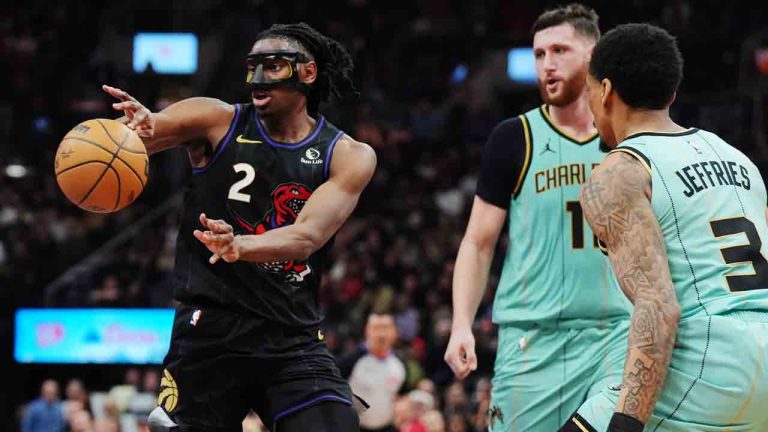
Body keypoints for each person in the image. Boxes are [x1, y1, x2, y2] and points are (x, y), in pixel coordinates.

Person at [103, 22, 376, 431]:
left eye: (273, 66)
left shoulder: (347, 154)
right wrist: (140, 127)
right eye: (253, 67)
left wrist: (240, 246)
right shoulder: (215, 119)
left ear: (308, 73)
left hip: (290, 336)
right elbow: (150, 132)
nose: (259, 78)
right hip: (209, 332)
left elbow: (306, 237)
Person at [561, 23, 768, 431]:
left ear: (605, 91)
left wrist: (625, 424)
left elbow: (659, 307)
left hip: (710, 364)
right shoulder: (738, 159)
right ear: (671, 94)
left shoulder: (619, 171)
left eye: (588, 90)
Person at [443, 4, 631, 430]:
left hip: (618, 334)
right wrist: (460, 325)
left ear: (594, 55)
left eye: (560, 50)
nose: (547, 64)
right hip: (534, 339)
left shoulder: (630, 136)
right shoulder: (513, 138)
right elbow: (478, 242)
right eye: (539, 54)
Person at [339, 313, 407, 432]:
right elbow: (335, 388)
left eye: (385, 328)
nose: (381, 334)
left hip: (388, 427)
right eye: (376, 328)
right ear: (367, 331)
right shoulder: (351, 359)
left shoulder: (400, 363)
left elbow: (402, 395)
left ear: (395, 332)